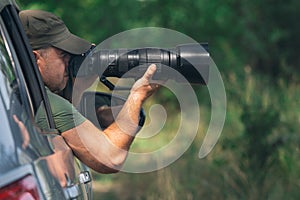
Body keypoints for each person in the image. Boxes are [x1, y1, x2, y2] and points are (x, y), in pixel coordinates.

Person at [19, 10, 159, 173]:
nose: (69, 61)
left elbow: (73, 106)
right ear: (36, 59)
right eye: (63, 54)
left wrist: (81, 80)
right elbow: (110, 157)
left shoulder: (19, 92)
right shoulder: (47, 103)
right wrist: (137, 95)